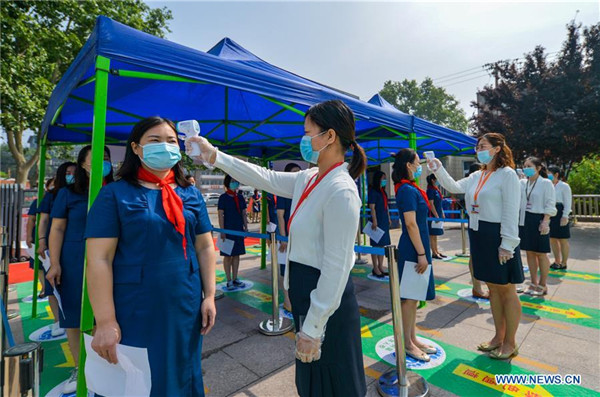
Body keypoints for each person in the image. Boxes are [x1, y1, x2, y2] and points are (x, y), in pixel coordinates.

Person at [187, 99, 367, 397]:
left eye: (308, 132)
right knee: (312, 382)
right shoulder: (309, 178)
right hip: (307, 294)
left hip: (327, 302)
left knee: (335, 383)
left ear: (330, 136)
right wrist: (215, 155)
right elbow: (264, 177)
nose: (304, 140)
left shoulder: (341, 190)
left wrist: (313, 328)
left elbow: (336, 268)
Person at [85, 117, 216, 396]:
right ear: (136, 147)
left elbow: (204, 247)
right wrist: (106, 321)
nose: (165, 146)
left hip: (185, 305)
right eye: (154, 141)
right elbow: (98, 259)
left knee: (181, 375)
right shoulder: (114, 195)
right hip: (135, 309)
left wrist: (210, 296)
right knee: (139, 381)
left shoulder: (190, 193)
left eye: (171, 141)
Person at [428, 132, 523, 359]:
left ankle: (510, 342)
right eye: (477, 146)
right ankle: (498, 337)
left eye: (483, 145)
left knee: (507, 289)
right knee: (493, 288)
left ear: (497, 148)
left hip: (499, 235)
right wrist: (438, 168)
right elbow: (452, 186)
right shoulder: (478, 175)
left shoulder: (507, 175)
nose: (478, 149)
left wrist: (508, 244)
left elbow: (511, 210)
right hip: (479, 234)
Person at [46, 146, 113, 394]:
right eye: (95, 159)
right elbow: (57, 230)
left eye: (106, 159)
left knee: (103, 315)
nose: (102, 163)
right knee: (74, 317)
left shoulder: (115, 191)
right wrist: (55, 262)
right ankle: (80, 366)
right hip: (75, 260)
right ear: (83, 164)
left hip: (111, 261)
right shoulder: (68, 194)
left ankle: (102, 365)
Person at [392, 149, 437, 362]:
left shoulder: (409, 188)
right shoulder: (406, 191)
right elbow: (410, 224)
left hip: (418, 246)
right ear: (409, 165)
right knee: (409, 299)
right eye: (418, 162)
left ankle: (412, 337)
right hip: (413, 248)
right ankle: (407, 343)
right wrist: (421, 253)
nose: (420, 166)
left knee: (415, 296)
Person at [37, 163, 76, 338]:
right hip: (57, 246)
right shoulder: (54, 195)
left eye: (74, 173)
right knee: (55, 286)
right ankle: (57, 320)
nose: (71, 176)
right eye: (68, 173)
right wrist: (41, 241)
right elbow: (45, 221)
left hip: (73, 244)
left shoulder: (86, 192)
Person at [519, 157, 556, 296]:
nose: (526, 168)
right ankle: (533, 282)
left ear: (538, 168)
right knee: (529, 252)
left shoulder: (546, 183)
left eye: (529, 166)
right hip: (525, 219)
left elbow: (550, 203)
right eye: (524, 165)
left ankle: (543, 284)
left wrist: (545, 221)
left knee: (541, 253)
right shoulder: (523, 183)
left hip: (539, 218)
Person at [277, 162, 302, 313]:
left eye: (300, 172)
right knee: (285, 270)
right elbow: (280, 216)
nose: (298, 175)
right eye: (294, 173)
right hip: (288, 237)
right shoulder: (283, 192)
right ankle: (287, 300)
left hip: (300, 236)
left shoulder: (302, 190)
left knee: (297, 269)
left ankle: (297, 297)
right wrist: (283, 238)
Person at [218, 175, 248, 289]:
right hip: (228, 229)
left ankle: (235, 278)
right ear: (227, 183)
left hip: (238, 229)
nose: (235, 183)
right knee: (228, 255)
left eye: (236, 181)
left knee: (236, 254)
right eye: (232, 181)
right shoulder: (223, 198)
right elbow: (221, 214)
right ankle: (228, 280)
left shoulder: (240, 197)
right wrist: (222, 230)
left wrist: (246, 226)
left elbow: (244, 213)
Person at [465, 163, 488, 299]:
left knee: (478, 255)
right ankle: (477, 287)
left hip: (480, 222)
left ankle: (478, 285)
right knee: (475, 255)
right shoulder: (472, 183)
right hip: (476, 222)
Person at [548, 166, 572, 270]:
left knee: (563, 239)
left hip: (560, 211)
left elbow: (567, 202)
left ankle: (564, 262)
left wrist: (565, 216)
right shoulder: (547, 185)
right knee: (553, 239)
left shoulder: (564, 186)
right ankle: (556, 261)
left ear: (556, 174)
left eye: (549, 173)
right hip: (550, 211)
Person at [367, 170, 391, 278]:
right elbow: (372, 207)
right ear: (378, 179)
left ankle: (381, 266)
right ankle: (375, 267)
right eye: (383, 178)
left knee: (382, 245)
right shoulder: (373, 192)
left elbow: (386, 207)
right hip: (377, 221)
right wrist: (374, 220)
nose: (385, 180)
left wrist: (389, 218)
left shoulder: (383, 192)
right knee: (375, 245)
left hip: (384, 220)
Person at [426, 173, 446, 259]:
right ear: (432, 180)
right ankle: (434, 252)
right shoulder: (430, 190)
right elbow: (431, 204)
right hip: (433, 216)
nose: (438, 181)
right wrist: (436, 216)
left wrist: (442, 213)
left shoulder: (436, 189)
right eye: (436, 179)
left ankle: (436, 251)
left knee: (436, 234)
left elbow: (439, 203)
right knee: (432, 235)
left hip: (438, 214)